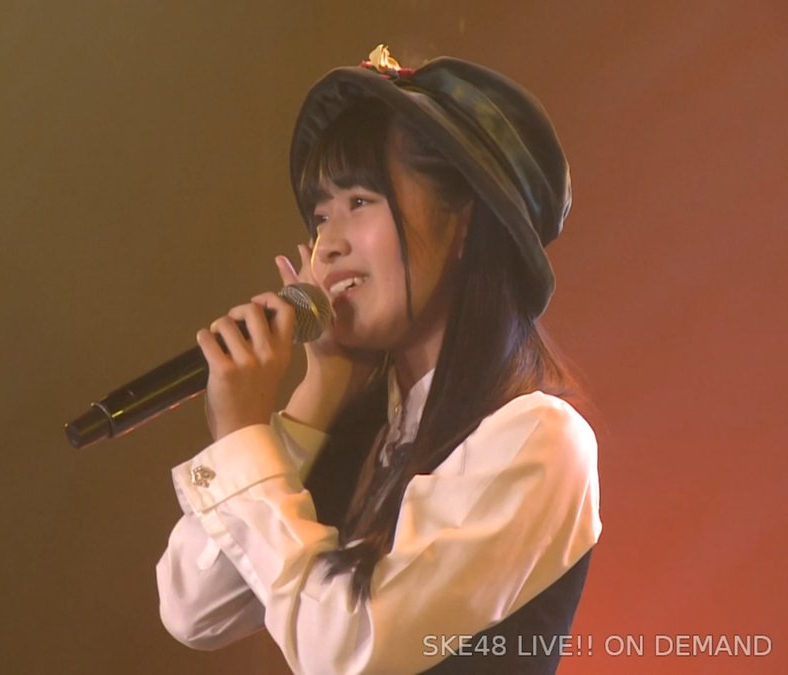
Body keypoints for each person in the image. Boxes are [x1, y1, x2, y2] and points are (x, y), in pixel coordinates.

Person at [155, 45, 601, 674]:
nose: (327, 245)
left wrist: (241, 436)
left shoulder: (537, 440)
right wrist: (316, 396)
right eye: (320, 215)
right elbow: (193, 609)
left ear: (463, 223)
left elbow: (350, 649)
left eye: (360, 202)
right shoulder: (367, 430)